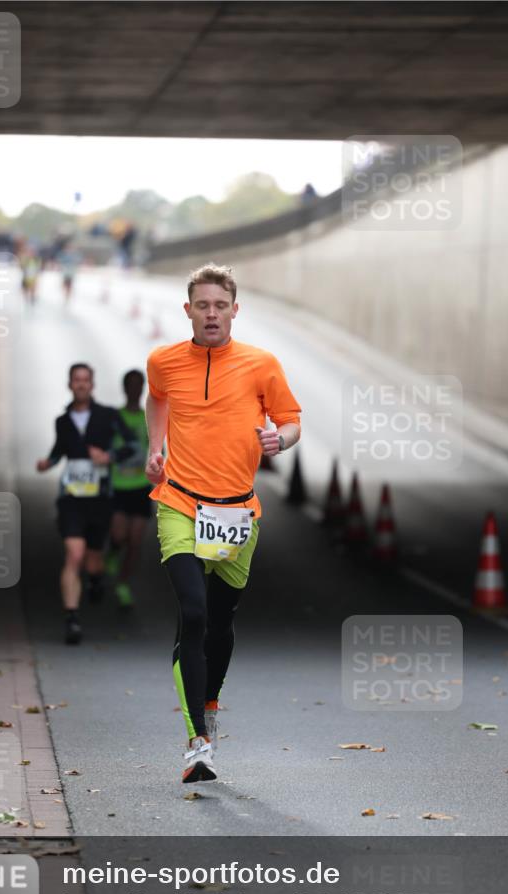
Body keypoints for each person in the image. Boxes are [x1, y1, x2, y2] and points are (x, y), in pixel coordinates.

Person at [145, 263, 301, 782]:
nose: (211, 314)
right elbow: (157, 398)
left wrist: (280, 439)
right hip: (180, 503)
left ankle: (209, 703)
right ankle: (198, 744)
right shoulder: (164, 361)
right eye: (202, 305)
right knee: (191, 613)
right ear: (187, 310)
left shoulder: (261, 364)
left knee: (219, 620)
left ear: (235, 310)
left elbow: (291, 421)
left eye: (220, 306)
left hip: (236, 512)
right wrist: (154, 448)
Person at [36, 363, 137, 645]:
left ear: (92, 385)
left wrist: (109, 457)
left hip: (99, 499)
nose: (81, 384)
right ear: (70, 384)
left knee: (93, 560)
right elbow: (59, 451)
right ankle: (72, 618)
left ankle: (95, 578)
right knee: (74, 554)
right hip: (70, 498)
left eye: (85, 380)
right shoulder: (63, 421)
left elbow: (133, 447)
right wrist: (48, 463)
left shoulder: (108, 416)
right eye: (76, 380)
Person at [106, 370, 152, 608]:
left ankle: (123, 584)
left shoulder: (148, 419)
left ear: (142, 388)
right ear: (124, 388)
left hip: (141, 488)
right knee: (119, 536)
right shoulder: (115, 419)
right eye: (131, 385)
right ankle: (113, 552)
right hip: (118, 487)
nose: (135, 389)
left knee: (135, 541)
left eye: (138, 385)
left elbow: (157, 449)